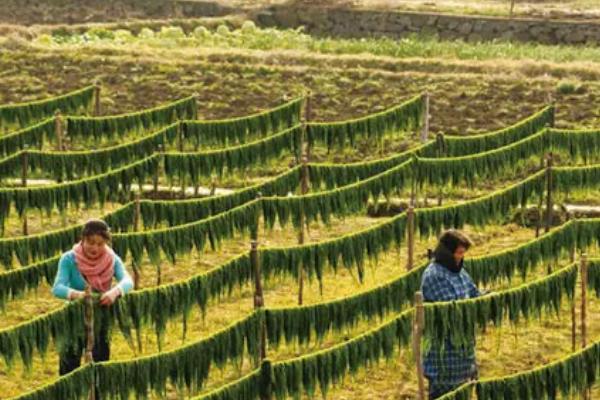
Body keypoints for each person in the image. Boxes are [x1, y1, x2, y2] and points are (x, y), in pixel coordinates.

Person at [52, 219, 133, 377]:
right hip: (73, 320)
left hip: (100, 319)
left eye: (100, 243)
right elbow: (57, 288)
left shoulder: (111, 259)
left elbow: (128, 281)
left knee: (100, 366)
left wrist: (114, 292)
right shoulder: (69, 259)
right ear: (82, 239)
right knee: (69, 368)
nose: (95, 248)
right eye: (91, 242)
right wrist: (79, 295)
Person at [420, 229, 480, 400]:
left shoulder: (459, 272)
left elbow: (474, 294)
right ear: (447, 253)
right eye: (459, 253)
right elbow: (453, 312)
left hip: (463, 354)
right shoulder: (434, 276)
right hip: (444, 355)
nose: (461, 257)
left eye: (463, 253)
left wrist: (491, 298)